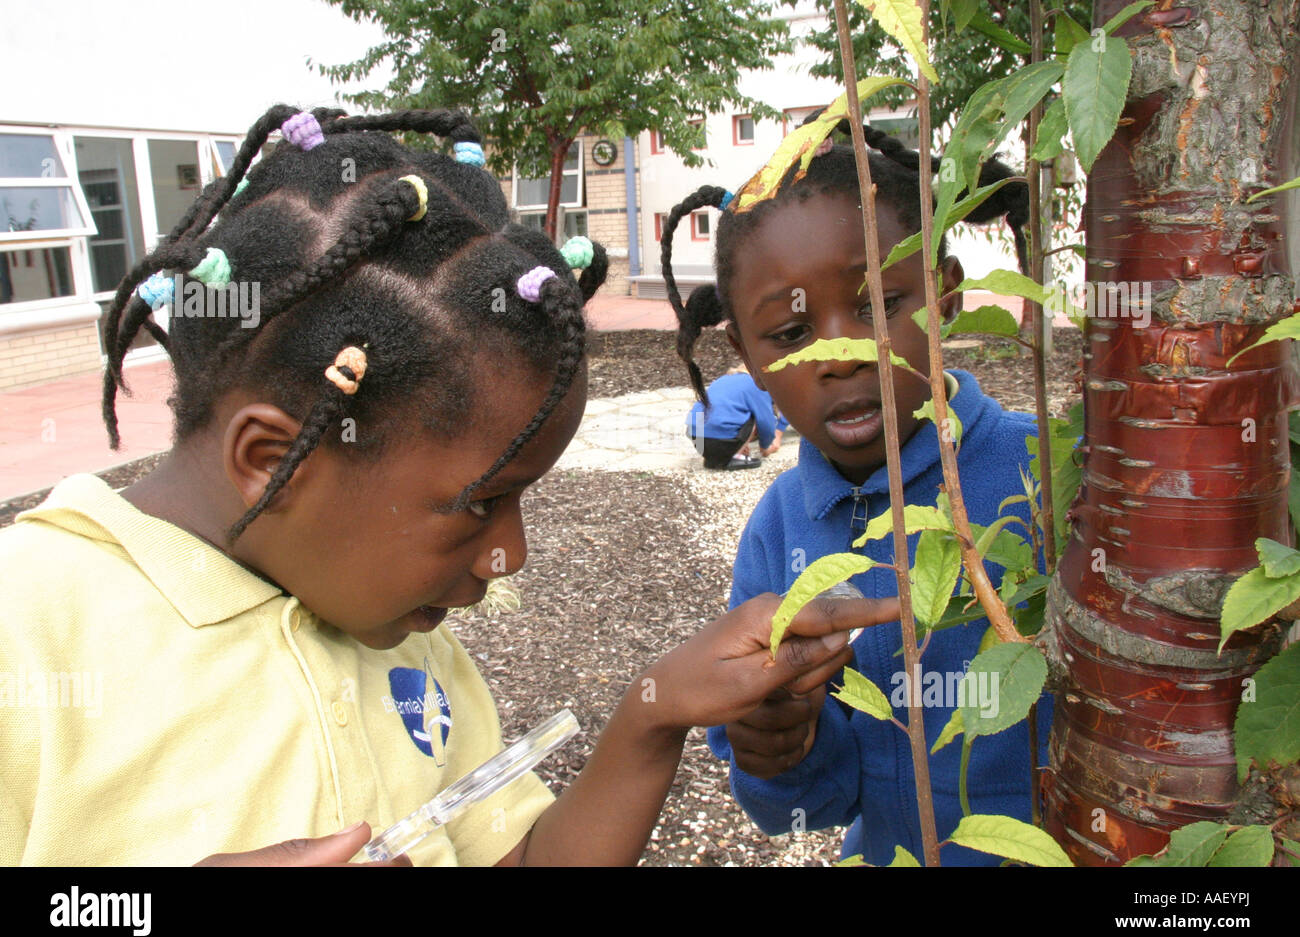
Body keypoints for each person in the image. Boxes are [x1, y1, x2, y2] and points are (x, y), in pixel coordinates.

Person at [0, 106, 898, 867]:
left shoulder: (397, 634)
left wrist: (652, 714)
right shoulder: (29, 624)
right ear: (273, 460)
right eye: (479, 502)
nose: (511, 554)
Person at [659, 119, 1052, 866]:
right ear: (745, 356)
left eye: (878, 306)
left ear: (949, 297)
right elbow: (809, 806)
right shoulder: (780, 533)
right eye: (790, 333)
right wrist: (780, 746)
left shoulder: (1049, 474)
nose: (842, 355)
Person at [685, 364, 787, 470]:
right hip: (719, 438)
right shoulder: (758, 384)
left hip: (696, 436)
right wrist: (766, 447)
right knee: (754, 414)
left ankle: (715, 458)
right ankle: (734, 456)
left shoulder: (723, 380)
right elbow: (765, 421)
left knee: (735, 412)